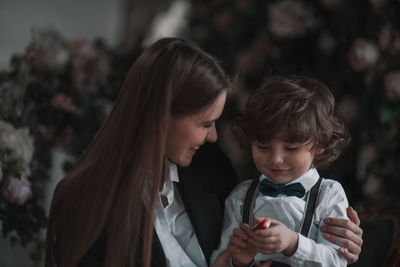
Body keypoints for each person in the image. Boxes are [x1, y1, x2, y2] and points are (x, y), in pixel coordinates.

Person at [45, 38, 362, 267]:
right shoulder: (85, 201)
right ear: (160, 116)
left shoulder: (206, 166)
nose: (212, 137)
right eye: (205, 123)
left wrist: (335, 243)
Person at [211, 76, 361, 267]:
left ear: (319, 145)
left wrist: (293, 244)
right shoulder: (241, 197)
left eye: (291, 148)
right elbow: (218, 258)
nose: (276, 159)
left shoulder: (329, 195)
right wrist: (238, 260)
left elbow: (337, 260)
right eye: (263, 147)